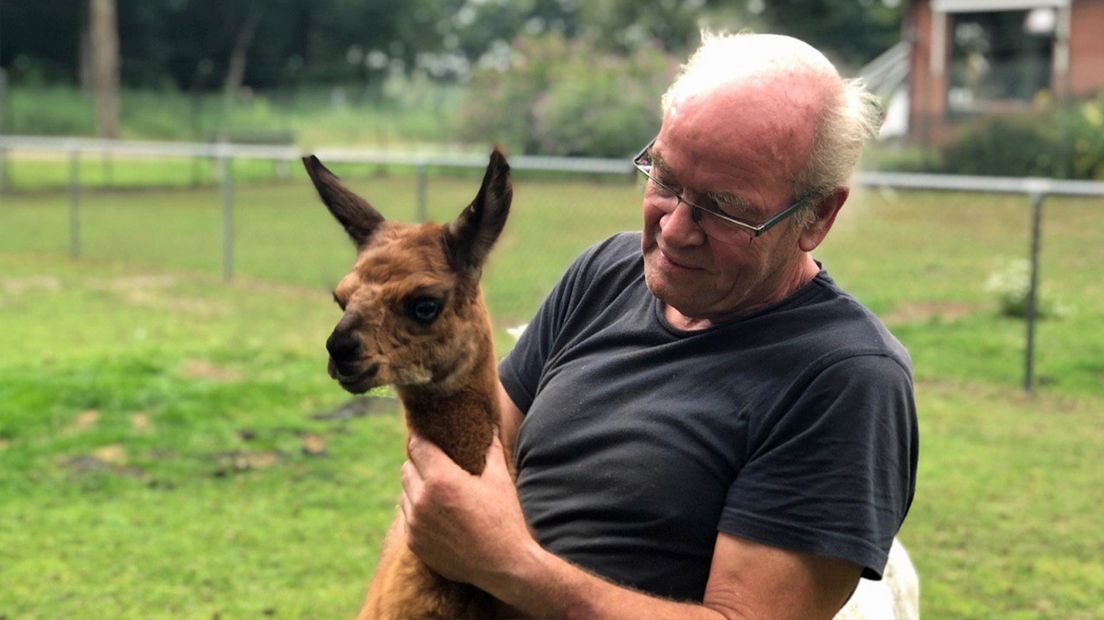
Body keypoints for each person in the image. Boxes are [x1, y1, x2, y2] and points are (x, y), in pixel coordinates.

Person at [399, 32, 918, 619]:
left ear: (817, 216)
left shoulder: (844, 379)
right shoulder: (604, 273)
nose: (672, 231)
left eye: (723, 209)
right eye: (665, 180)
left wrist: (510, 563)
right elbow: (479, 455)